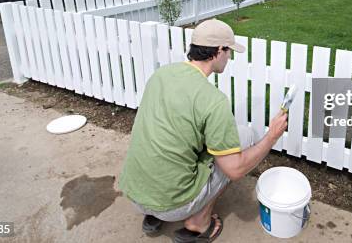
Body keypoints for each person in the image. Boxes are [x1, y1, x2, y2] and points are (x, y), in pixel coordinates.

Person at [119, 19, 288, 242]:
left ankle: (152, 214)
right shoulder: (213, 101)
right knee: (245, 137)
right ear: (219, 51)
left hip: (134, 193)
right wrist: (271, 137)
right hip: (172, 204)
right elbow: (235, 170)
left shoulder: (162, 74)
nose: (230, 57)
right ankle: (198, 223)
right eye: (229, 51)